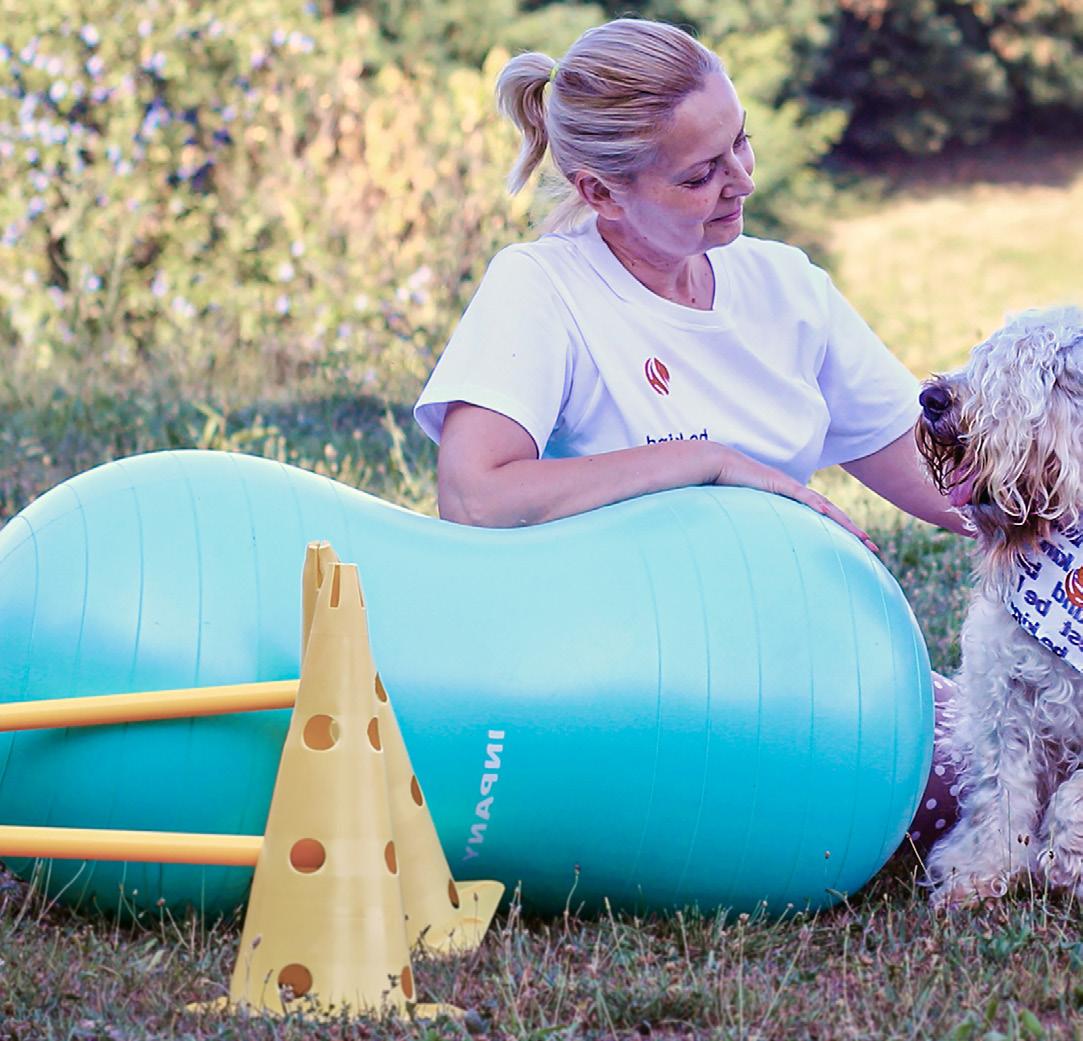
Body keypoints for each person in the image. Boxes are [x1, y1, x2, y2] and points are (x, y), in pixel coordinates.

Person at [413, 18, 964, 849]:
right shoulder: (541, 287)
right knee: (977, 786)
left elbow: (945, 481)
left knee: (1025, 748)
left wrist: (1052, 501)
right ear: (600, 192)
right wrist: (703, 461)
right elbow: (474, 496)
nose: (740, 180)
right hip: (613, 692)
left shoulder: (784, 288)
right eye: (700, 174)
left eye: (740, 143)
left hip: (796, 671)